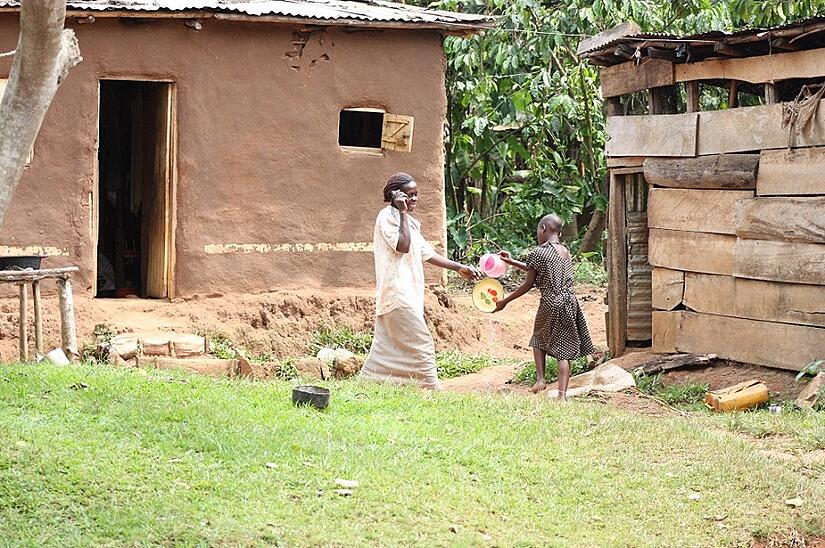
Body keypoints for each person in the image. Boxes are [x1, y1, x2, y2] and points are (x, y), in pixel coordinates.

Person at [360, 172, 481, 390]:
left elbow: (427, 253)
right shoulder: (387, 217)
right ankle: (430, 386)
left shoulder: (411, 224)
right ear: (397, 196)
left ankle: (373, 379)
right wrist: (402, 213)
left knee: (387, 344)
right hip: (397, 292)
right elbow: (402, 246)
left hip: (408, 291)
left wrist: (458, 267)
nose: (415, 199)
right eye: (410, 195)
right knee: (422, 342)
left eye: (416, 195)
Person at [494, 214, 595, 398]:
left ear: (543, 229)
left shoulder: (539, 252)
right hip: (570, 301)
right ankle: (562, 396)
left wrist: (504, 301)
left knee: (538, 338)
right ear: (560, 232)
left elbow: (528, 283)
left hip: (550, 301)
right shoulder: (565, 251)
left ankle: (541, 379)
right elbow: (538, 267)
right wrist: (511, 261)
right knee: (563, 350)